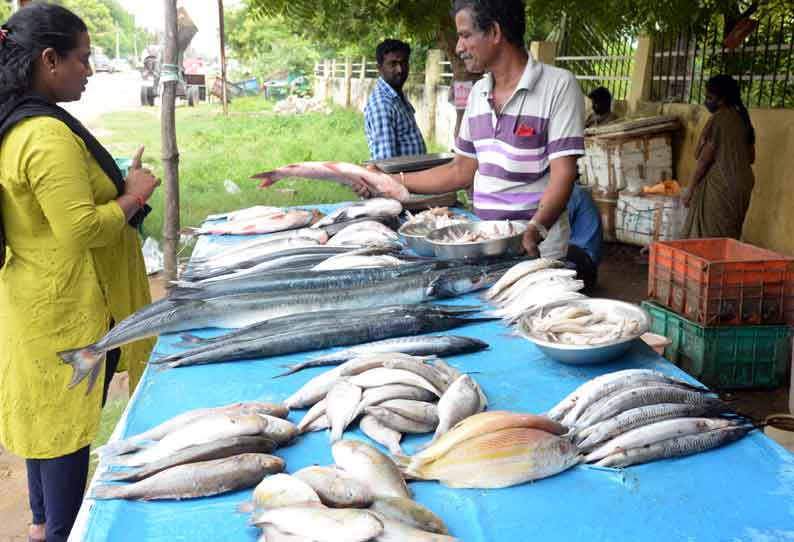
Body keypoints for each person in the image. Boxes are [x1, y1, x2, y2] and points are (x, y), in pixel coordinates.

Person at [0, 5, 160, 542]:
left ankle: (43, 523)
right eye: (83, 59)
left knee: (47, 423)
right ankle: (60, 532)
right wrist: (134, 196)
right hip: (65, 307)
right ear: (50, 60)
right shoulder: (43, 136)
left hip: (38, 297)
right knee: (64, 426)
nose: (89, 70)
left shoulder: (23, 122)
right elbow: (81, 230)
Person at [355, 0, 585, 260]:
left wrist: (535, 230)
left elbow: (563, 175)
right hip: (485, 240)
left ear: (495, 33)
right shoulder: (479, 93)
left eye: (465, 35)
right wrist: (389, 182)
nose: (458, 47)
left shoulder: (558, 86)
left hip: (537, 250)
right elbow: (460, 171)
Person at [682, 74, 755, 239]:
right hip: (743, 185)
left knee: (710, 237)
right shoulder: (744, 120)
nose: (706, 101)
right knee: (729, 235)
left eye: (709, 97)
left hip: (720, 185)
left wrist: (690, 190)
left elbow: (703, 160)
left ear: (722, 100)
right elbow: (751, 158)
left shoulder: (718, 120)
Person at [363, 39, 427, 160]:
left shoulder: (396, 96)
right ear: (379, 67)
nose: (400, 69)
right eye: (393, 64)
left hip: (414, 176)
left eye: (404, 63)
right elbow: (386, 163)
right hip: (402, 178)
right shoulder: (382, 105)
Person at [566, 183, 603, 293]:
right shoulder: (574, 190)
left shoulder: (569, 192)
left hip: (584, 263)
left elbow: (550, 229)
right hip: (584, 258)